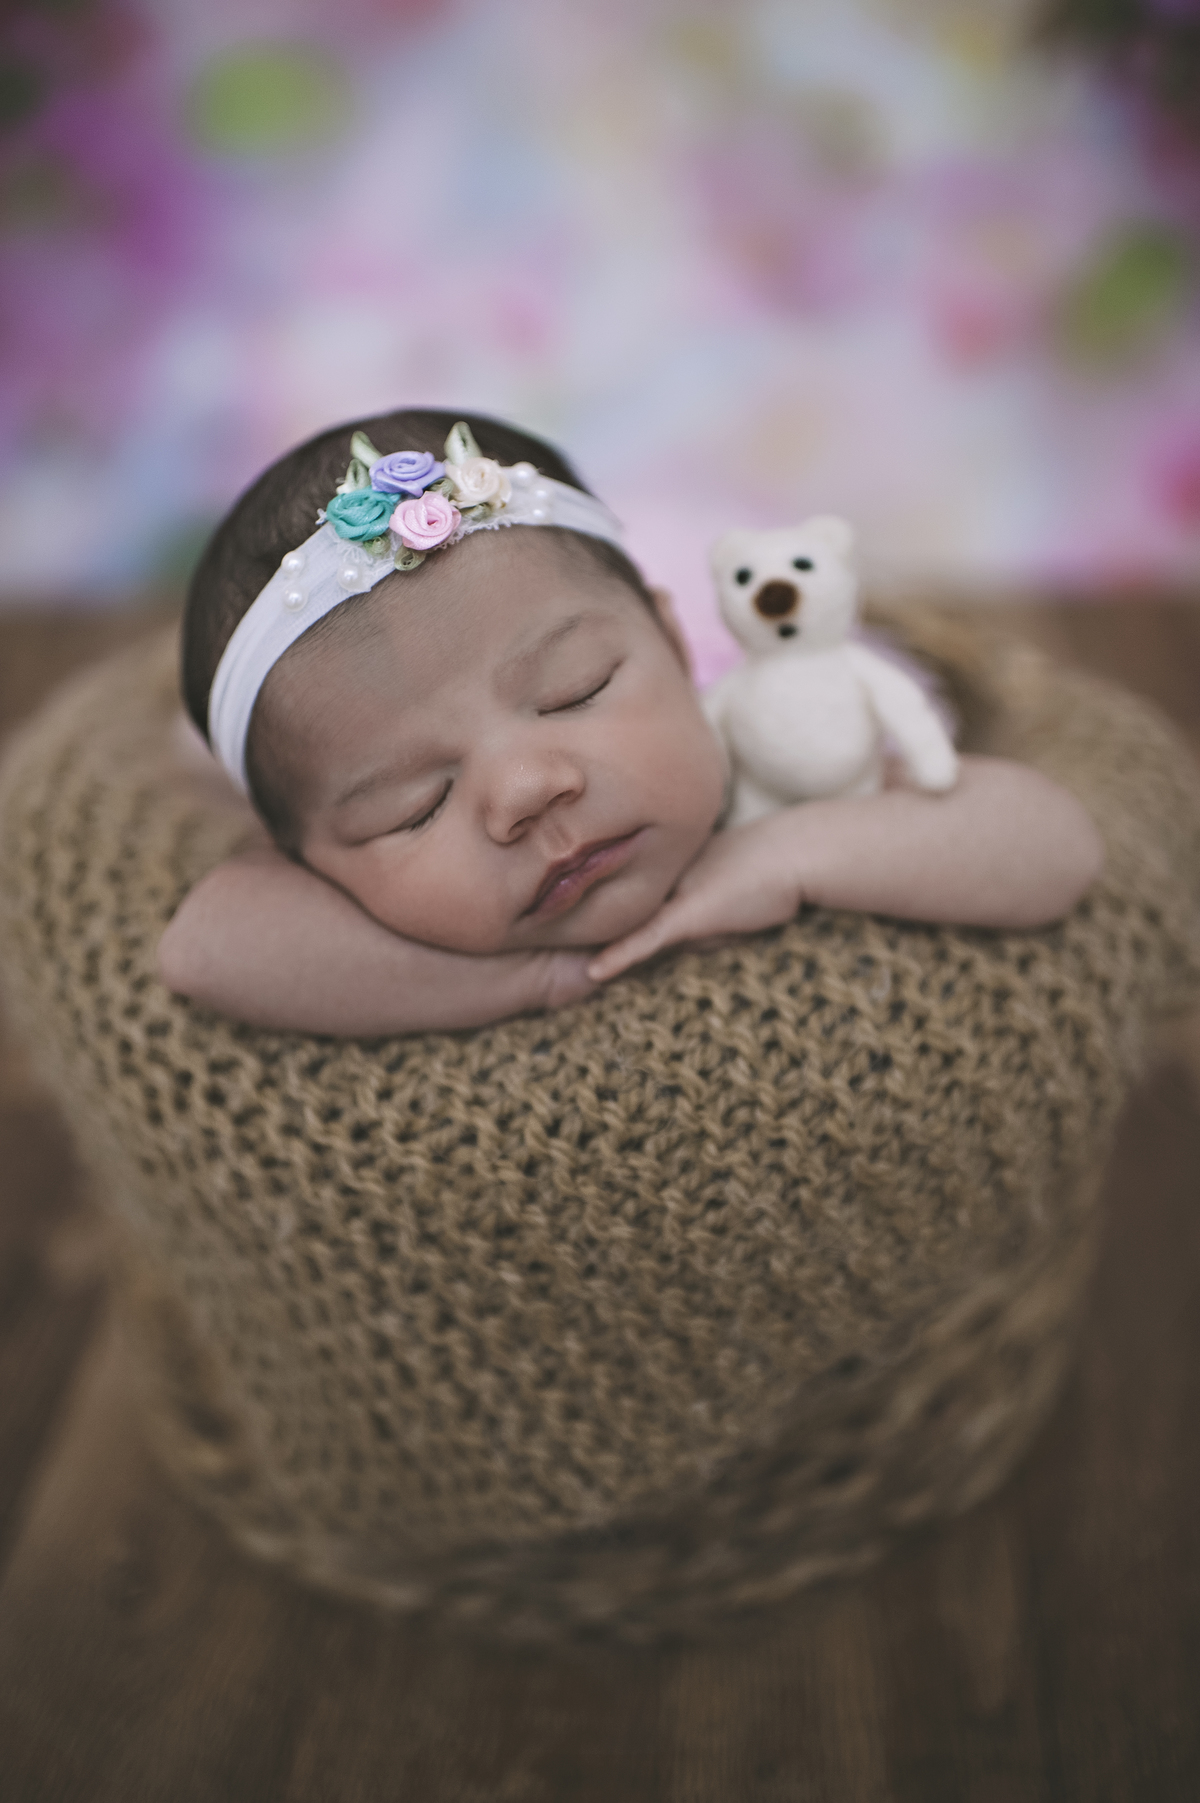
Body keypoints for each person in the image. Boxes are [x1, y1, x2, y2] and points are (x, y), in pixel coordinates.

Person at [159, 408, 1104, 1036]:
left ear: (673, 641)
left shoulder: (771, 770)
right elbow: (201, 948)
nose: (528, 790)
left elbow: (1053, 845)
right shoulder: (364, 919)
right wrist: (533, 981)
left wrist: (792, 854)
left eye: (576, 689)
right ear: (305, 860)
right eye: (413, 806)